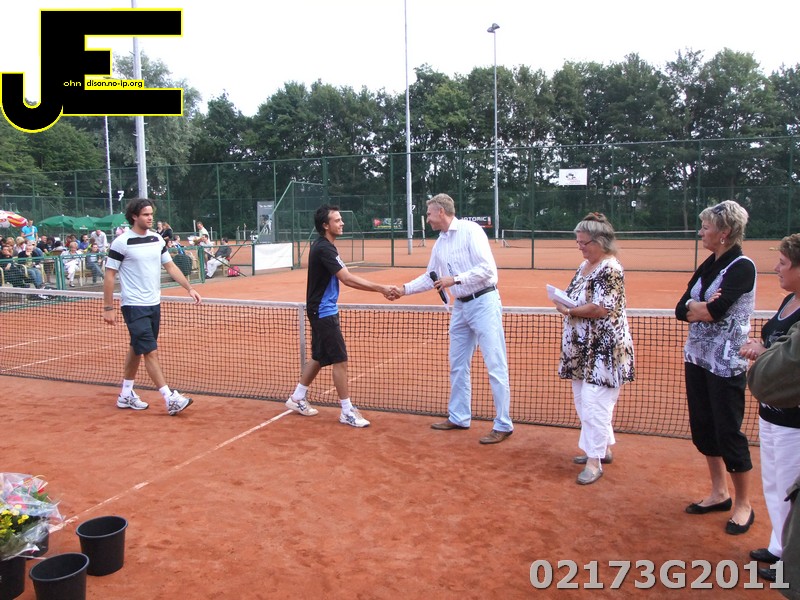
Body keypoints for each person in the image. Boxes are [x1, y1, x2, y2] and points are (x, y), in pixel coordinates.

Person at [388, 193, 514, 444]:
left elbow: (487, 269)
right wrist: (403, 290)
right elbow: (431, 277)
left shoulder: (471, 231)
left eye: (429, 214)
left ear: (441, 212)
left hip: (484, 302)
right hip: (460, 307)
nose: (427, 219)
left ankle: (503, 424)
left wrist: (454, 279)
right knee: (457, 364)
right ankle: (459, 417)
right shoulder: (440, 243)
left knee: (495, 365)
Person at [675, 199, 756, 534]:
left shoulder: (742, 267)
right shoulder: (710, 264)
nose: (701, 232)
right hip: (697, 358)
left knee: (728, 431)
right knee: (705, 427)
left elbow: (716, 311)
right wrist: (700, 307)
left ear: (724, 232)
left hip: (726, 364)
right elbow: (680, 308)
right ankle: (719, 493)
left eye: (706, 227)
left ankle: (743, 504)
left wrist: (702, 308)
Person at [284, 204, 393, 427]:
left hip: (321, 309)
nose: (342, 223)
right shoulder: (325, 249)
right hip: (323, 311)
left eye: (341, 219)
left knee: (319, 356)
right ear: (326, 225)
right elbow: (347, 278)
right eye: (337, 220)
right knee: (340, 360)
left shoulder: (324, 246)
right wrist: (381, 288)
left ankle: (297, 397)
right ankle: (346, 411)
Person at [552, 213, 635, 485]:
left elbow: (601, 308)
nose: (580, 247)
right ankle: (602, 448)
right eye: (578, 242)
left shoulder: (610, 269)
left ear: (600, 242)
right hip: (581, 348)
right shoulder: (585, 265)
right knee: (583, 401)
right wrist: (563, 301)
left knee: (594, 403)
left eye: (584, 242)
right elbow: (574, 295)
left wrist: (569, 310)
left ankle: (594, 461)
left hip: (604, 349)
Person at [739, 233, 800, 582]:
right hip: (770, 411)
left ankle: (792, 562)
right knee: (774, 484)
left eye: (783, 263)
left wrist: (764, 353)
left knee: (791, 488)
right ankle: (779, 547)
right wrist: (758, 346)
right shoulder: (789, 300)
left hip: (794, 418)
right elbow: (774, 343)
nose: (776, 268)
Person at [103, 198, 201, 416]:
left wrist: (189, 288)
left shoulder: (157, 239)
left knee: (137, 347)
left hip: (154, 304)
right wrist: (108, 307)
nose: (150, 218)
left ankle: (126, 394)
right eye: (146, 214)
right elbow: (109, 275)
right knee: (149, 351)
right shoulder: (121, 243)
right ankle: (170, 398)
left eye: (151, 214)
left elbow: (170, 266)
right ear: (134, 216)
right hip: (133, 305)